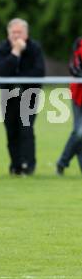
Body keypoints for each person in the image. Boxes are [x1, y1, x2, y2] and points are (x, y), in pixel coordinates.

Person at [0, 18, 45, 176]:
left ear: (27, 33)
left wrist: (19, 77)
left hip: (28, 95)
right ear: (8, 33)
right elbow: (3, 72)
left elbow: (39, 72)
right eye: (13, 32)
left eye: (20, 32)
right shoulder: (2, 48)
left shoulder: (34, 48)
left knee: (26, 129)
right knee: (11, 131)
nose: (16, 36)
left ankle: (28, 165)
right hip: (8, 96)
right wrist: (15, 53)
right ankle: (15, 165)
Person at [56, 36, 82, 175]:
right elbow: (74, 69)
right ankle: (62, 162)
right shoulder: (79, 46)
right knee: (79, 132)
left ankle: (62, 163)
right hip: (79, 96)